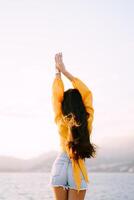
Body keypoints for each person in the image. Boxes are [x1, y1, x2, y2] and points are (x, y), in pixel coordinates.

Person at [49, 52, 97, 200]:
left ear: (64, 106)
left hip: (60, 164)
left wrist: (58, 73)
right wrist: (65, 72)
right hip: (78, 167)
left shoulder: (61, 118)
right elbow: (87, 93)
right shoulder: (87, 118)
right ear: (81, 104)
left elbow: (56, 97)